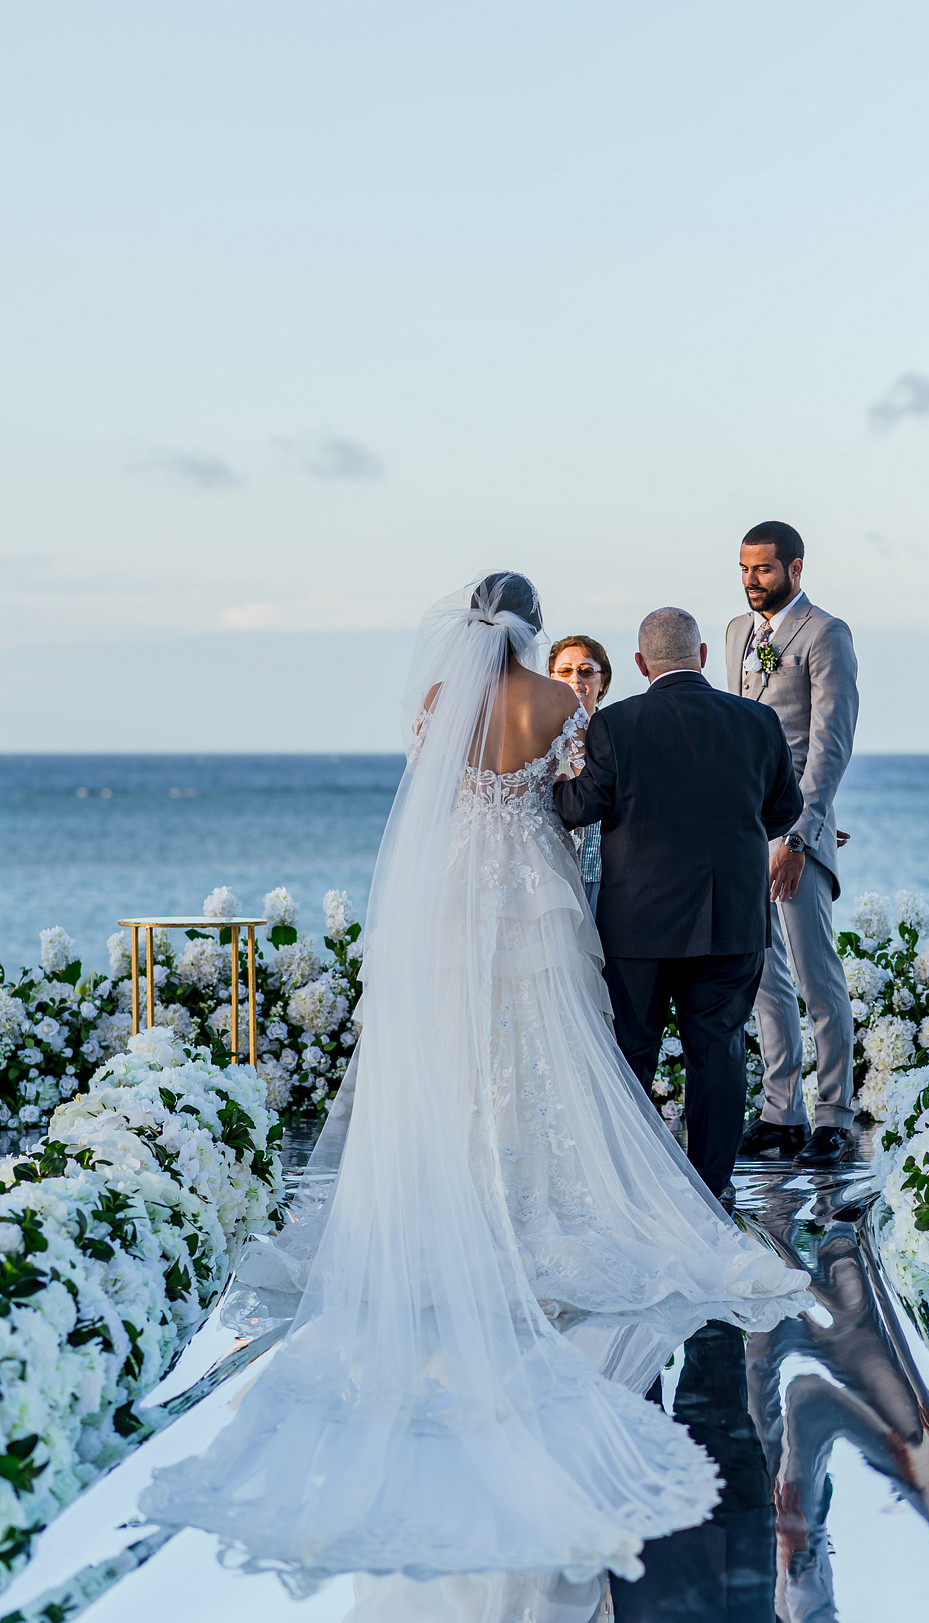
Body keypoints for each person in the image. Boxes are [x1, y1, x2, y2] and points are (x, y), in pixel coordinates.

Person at [141, 573, 810, 1588]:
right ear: (532, 626)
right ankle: (550, 1191)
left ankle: (456, 1185)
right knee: (545, 1050)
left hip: (453, 891)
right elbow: (575, 804)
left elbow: (437, 794)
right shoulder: (556, 699)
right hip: (535, 888)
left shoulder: (435, 705)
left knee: (457, 1046)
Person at [554, 606, 803, 1202]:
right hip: (732, 920)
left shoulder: (616, 724)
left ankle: (634, 1189)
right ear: (703, 658)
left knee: (633, 1053)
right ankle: (711, 1192)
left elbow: (580, 807)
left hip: (638, 924)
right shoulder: (758, 720)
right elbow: (785, 811)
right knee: (717, 1052)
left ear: (640, 665)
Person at [726, 520, 859, 1170]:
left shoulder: (827, 634)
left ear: (796, 568)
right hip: (743, 828)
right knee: (761, 976)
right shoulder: (734, 634)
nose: (752, 580)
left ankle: (834, 1116)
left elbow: (830, 742)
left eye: (765, 570)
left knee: (815, 972)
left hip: (796, 832)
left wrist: (803, 832)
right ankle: (783, 1112)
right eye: (746, 568)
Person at [549, 633, 612, 913]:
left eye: (586, 671)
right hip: (550, 875)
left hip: (607, 875)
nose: (576, 679)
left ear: (603, 682)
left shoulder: (617, 732)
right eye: (564, 671)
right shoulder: (538, 738)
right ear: (550, 678)